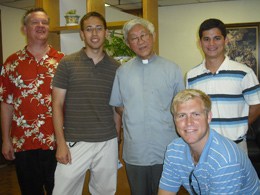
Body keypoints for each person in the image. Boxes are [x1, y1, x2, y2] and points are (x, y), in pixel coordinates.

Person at [109, 18, 185, 195]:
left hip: (166, 148)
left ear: (153, 37)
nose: (140, 41)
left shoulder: (172, 69)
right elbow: (118, 107)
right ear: (128, 44)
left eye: (143, 35)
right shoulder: (122, 72)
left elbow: (181, 109)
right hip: (135, 150)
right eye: (134, 38)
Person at [52, 12, 121, 195]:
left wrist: (117, 137)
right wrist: (60, 142)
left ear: (106, 32)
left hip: (107, 141)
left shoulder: (116, 68)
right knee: (62, 192)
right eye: (89, 29)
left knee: (105, 192)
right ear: (82, 34)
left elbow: (116, 109)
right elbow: (56, 104)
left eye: (99, 28)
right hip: (75, 142)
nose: (94, 34)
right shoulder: (67, 64)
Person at [0, 8, 64, 195]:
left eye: (44, 22)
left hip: (56, 141)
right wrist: (6, 140)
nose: (41, 26)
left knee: (59, 191)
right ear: (24, 29)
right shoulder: (11, 62)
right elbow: (6, 103)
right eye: (35, 22)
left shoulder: (62, 61)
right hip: (23, 142)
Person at [158, 89, 260, 194]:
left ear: (209, 117)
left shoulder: (225, 160)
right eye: (182, 115)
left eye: (196, 114)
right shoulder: (174, 150)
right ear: (174, 120)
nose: (189, 122)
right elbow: (166, 191)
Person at [186, 18, 260, 153]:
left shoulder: (244, 72)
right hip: (204, 146)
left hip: (235, 146)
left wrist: (239, 125)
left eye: (217, 38)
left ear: (226, 40)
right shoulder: (192, 76)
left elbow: (256, 105)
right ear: (200, 43)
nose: (212, 43)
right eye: (206, 39)